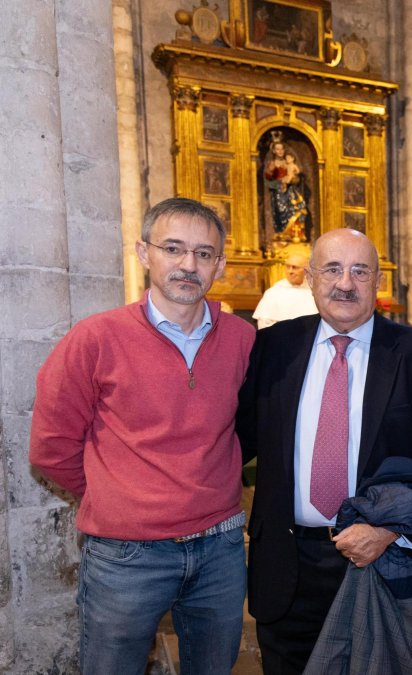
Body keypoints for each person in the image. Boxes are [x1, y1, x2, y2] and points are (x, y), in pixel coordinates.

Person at [29, 198, 254, 674]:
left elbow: (253, 426)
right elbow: (51, 448)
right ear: (144, 252)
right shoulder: (95, 339)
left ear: (220, 264)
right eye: (173, 248)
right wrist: (119, 495)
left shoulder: (243, 339)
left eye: (203, 253)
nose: (188, 265)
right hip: (126, 555)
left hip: (221, 549)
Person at [236, 228, 412, 675]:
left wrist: (387, 531)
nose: (346, 283)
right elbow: (232, 439)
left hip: (380, 561)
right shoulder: (272, 347)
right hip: (288, 566)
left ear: (377, 281)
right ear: (311, 277)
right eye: (333, 269)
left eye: (360, 270)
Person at [252, 251, 319, 328]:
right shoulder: (273, 292)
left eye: (295, 267)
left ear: (307, 270)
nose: (290, 271)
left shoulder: (315, 292)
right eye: (288, 267)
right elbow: (264, 323)